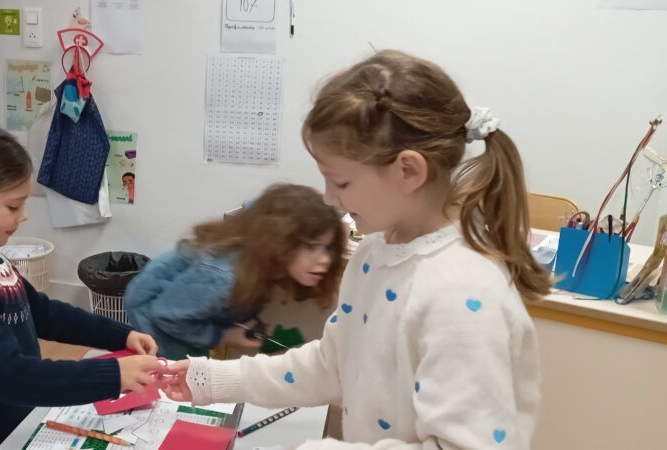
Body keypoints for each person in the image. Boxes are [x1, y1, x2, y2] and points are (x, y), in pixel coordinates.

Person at [163, 50, 548, 449]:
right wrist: (213, 380)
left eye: (341, 183)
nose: (329, 198)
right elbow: (333, 366)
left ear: (408, 171)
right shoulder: (375, 253)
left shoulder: (461, 294)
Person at [0, 116, 162, 449]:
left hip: (16, 429)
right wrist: (115, 375)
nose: (23, 216)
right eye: (13, 206)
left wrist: (121, 335)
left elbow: (44, 313)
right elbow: (11, 376)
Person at [125, 183, 346, 360]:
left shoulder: (265, 254)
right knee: (181, 372)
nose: (325, 260)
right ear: (279, 241)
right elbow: (166, 316)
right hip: (155, 315)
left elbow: (254, 206)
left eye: (327, 247)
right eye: (311, 247)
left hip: (185, 303)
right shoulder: (222, 277)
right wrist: (223, 335)